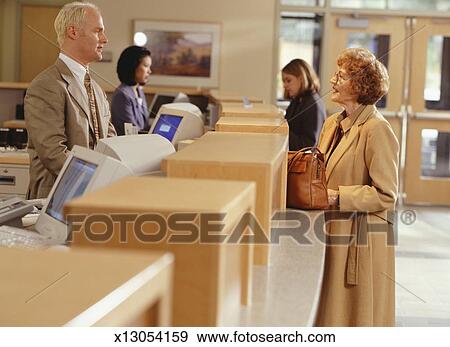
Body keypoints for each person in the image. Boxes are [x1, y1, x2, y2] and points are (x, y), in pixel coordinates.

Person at [315, 47, 399, 326]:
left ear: (360, 85)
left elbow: (386, 194)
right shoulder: (332, 123)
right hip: (331, 230)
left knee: (353, 317)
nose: (333, 81)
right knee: (329, 314)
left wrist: (337, 197)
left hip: (358, 239)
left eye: (341, 76)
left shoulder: (377, 129)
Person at [25, 2, 116, 199]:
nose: (104, 39)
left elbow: (110, 143)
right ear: (73, 32)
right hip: (57, 200)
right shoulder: (46, 85)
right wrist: (95, 181)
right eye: (98, 31)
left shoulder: (97, 90)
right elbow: (53, 154)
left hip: (92, 196)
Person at [282, 59, 326, 151]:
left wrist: (282, 130)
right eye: (284, 81)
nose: (285, 85)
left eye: (288, 80)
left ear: (302, 78)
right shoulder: (297, 100)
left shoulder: (313, 104)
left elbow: (308, 146)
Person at [111, 46, 152, 135]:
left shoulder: (138, 90)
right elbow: (131, 133)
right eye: (146, 66)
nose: (149, 71)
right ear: (133, 66)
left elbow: (145, 126)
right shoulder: (122, 95)